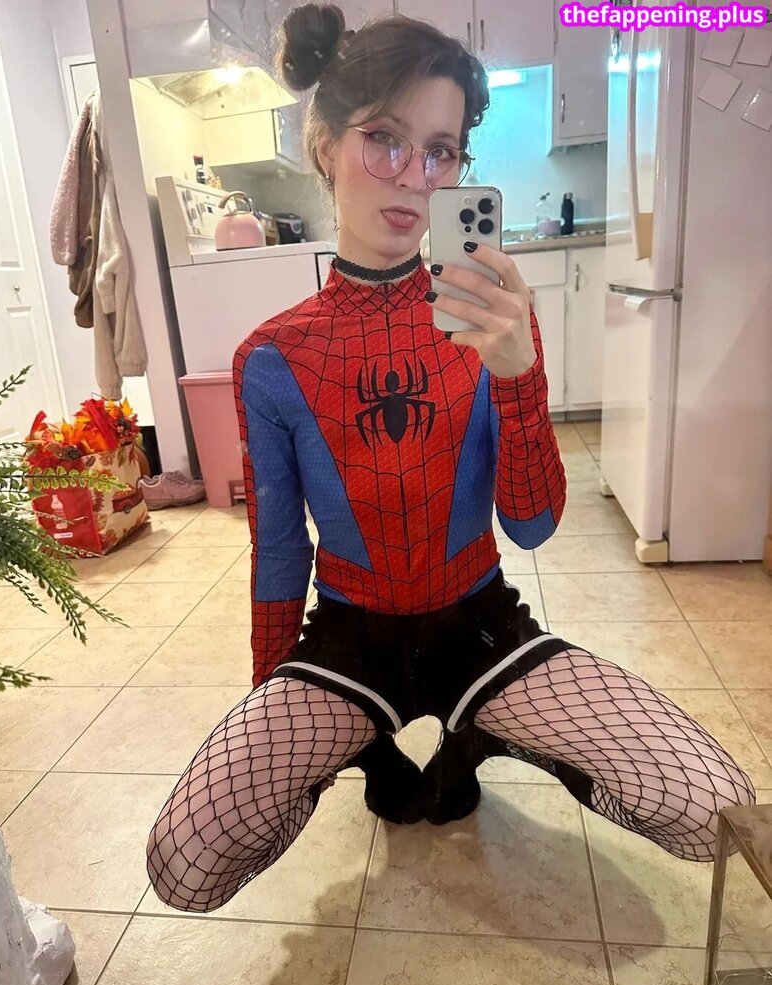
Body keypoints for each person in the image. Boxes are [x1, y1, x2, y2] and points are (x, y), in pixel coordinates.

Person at [146, 4, 755, 913]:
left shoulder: (493, 319)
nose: (414, 177)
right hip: (349, 637)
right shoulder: (270, 359)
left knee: (714, 810)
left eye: (441, 151)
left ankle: (484, 732)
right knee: (186, 863)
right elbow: (278, 550)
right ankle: (372, 746)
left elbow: (533, 525)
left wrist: (518, 378)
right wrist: (275, 714)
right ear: (324, 142)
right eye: (384, 139)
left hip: (479, 623)